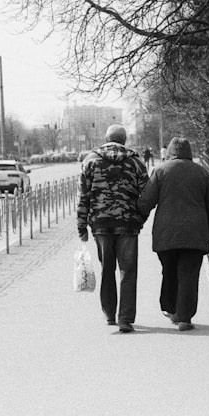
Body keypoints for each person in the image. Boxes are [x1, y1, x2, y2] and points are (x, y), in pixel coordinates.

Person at [138, 136, 209, 332]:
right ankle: (184, 317)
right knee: (189, 275)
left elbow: (146, 201)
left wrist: (137, 218)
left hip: (166, 234)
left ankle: (170, 308)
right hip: (195, 233)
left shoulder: (160, 171)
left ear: (170, 152)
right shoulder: (202, 173)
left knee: (169, 271)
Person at [77, 124, 149, 333]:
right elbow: (146, 195)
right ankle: (125, 318)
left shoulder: (90, 161)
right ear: (124, 140)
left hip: (101, 225)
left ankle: (109, 314)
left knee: (107, 268)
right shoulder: (136, 162)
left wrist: (82, 225)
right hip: (127, 224)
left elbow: (84, 196)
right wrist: (139, 218)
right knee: (128, 271)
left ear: (106, 138)